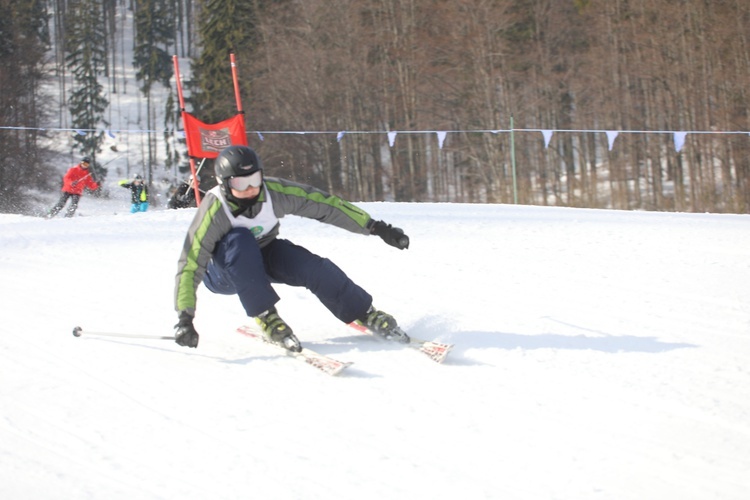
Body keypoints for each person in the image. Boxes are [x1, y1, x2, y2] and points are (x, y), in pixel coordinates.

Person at [173, 145, 410, 352]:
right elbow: (190, 263)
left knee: (313, 267)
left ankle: (364, 311)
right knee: (239, 239)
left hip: (263, 254)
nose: (249, 189)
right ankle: (266, 316)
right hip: (222, 272)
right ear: (223, 183)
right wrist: (185, 317)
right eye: (239, 183)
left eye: (254, 180)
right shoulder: (214, 209)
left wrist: (375, 227)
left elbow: (325, 205)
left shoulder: (274, 193)